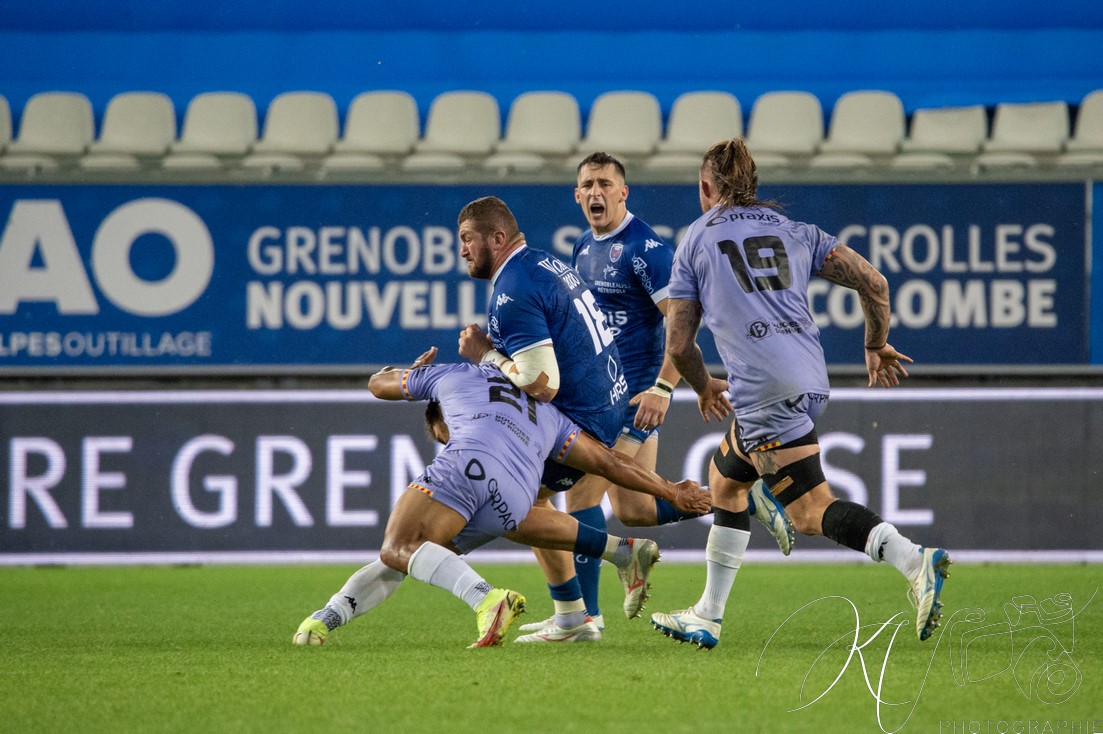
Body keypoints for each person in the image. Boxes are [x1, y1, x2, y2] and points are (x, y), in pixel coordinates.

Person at [650, 138, 951, 650]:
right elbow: (874, 283)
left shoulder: (696, 240)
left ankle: (912, 559)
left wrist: (702, 387)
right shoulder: (796, 231)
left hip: (765, 392)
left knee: (810, 512)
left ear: (706, 188)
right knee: (724, 482)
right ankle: (708, 614)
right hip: (809, 380)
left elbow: (679, 345)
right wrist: (875, 343)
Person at [292, 348, 709, 648]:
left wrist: (405, 371)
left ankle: (487, 599)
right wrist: (672, 490)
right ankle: (327, 617)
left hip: (472, 465)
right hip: (517, 499)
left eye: (442, 436)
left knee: (400, 545)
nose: (444, 439)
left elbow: (378, 385)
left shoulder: (448, 376)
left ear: (438, 414)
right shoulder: (547, 411)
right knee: (412, 557)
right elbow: (611, 463)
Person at [456, 195, 636, 642]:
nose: (461, 249)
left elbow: (540, 382)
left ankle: (616, 560)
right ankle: (573, 616)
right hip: (609, 396)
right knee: (533, 501)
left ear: (497, 239)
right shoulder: (539, 262)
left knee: (504, 505)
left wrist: (485, 354)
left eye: (467, 239)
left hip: (581, 418)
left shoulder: (512, 289)